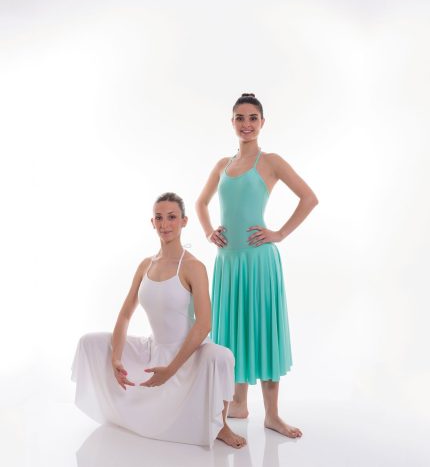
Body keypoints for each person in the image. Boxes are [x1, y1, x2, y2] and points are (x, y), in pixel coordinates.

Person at [71, 192, 246, 448]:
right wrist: (116, 358)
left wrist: (171, 370)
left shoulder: (193, 267)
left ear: (184, 221)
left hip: (187, 352)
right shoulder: (145, 265)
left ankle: (221, 425)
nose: (165, 224)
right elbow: (125, 314)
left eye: (172, 217)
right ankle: (123, 405)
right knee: (89, 342)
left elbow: (204, 324)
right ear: (152, 222)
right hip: (153, 348)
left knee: (223, 356)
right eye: (159, 218)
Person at [195, 93, 318, 438]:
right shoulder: (222, 165)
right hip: (228, 263)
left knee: (262, 329)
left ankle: (273, 415)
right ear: (232, 122)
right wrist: (208, 231)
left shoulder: (271, 162)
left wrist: (279, 233)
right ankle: (238, 404)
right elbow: (201, 203)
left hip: (259, 262)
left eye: (253, 118)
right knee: (232, 332)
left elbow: (309, 198)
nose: (246, 124)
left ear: (262, 123)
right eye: (240, 118)